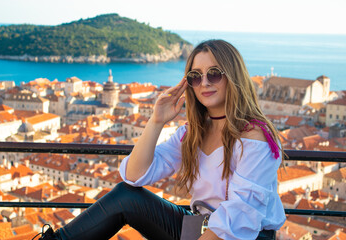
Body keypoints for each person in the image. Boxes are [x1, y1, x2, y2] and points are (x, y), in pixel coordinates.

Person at [35, 39, 286, 240]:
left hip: (246, 235)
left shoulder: (254, 137)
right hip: (199, 226)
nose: (205, 83)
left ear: (233, 76)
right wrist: (156, 121)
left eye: (214, 74)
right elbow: (134, 176)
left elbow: (239, 217)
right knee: (126, 196)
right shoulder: (193, 133)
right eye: (195, 76)